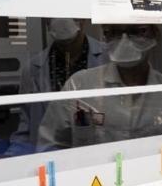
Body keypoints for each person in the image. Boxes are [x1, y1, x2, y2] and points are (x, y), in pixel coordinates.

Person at [37, 23, 162, 149]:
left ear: (155, 34)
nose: (124, 40)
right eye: (114, 32)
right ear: (105, 35)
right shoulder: (80, 87)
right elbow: (50, 148)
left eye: (137, 31)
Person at [7, 18, 106, 155]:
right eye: (62, 43)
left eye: (71, 41)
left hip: (99, 156)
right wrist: (11, 159)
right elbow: (26, 130)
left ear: (82, 21)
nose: (67, 49)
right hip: (51, 157)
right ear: (46, 24)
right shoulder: (33, 69)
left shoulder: (108, 58)